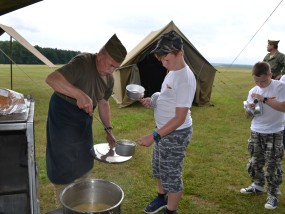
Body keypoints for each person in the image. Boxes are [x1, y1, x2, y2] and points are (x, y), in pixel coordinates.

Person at [45, 34, 127, 207]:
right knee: (62, 165)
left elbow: (104, 104)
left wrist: (109, 130)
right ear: (100, 56)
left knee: (84, 161)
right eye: (111, 65)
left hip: (84, 120)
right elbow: (52, 79)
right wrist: (79, 94)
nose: (112, 71)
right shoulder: (83, 62)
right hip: (63, 116)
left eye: (116, 68)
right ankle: (64, 204)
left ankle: (82, 201)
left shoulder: (109, 79)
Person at [137, 31, 196, 214]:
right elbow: (168, 96)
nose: (163, 64)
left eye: (166, 59)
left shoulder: (185, 78)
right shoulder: (172, 70)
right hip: (163, 130)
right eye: (161, 59)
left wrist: (153, 136)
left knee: (171, 173)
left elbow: (179, 118)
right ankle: (161, 198)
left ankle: (170, 211)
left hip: (175, 133)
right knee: (159, 166)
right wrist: (154, 100)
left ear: (180, 53)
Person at [240, 61, 285, 210]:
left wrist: (263, 99)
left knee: (273, 165)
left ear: (270, 75)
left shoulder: (280, 87)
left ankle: (273, 194)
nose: (260, 84)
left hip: (274, 131)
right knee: (254, 161)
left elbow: (283, 107)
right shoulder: (253, 90)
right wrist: (250, 108)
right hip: (256, 130)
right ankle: (257, 185)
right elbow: (248, 115)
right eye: (256, 81)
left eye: (263, 81)